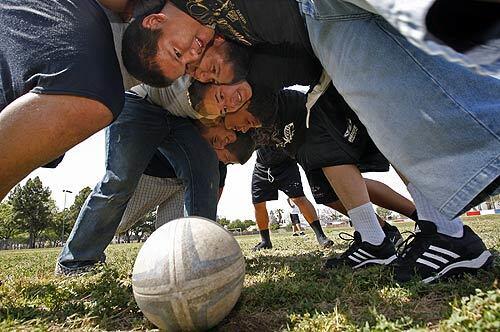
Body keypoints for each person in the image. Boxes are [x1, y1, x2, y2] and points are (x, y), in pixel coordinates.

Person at [116, 153, 229, 235]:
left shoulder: (220, 165)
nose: (225, 162)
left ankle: (165, 263)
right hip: (153, 174)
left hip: (184, 184)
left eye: (230, 163)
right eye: (227, 158)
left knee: (171, 233)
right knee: (118, 222)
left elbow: (217, 192)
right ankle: (97, 251)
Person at [252, 147, 333, 251]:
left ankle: (321, 236)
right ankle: (265, 241)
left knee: (298, 198)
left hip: (287, 165)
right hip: (262, 168)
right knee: (258, 203)